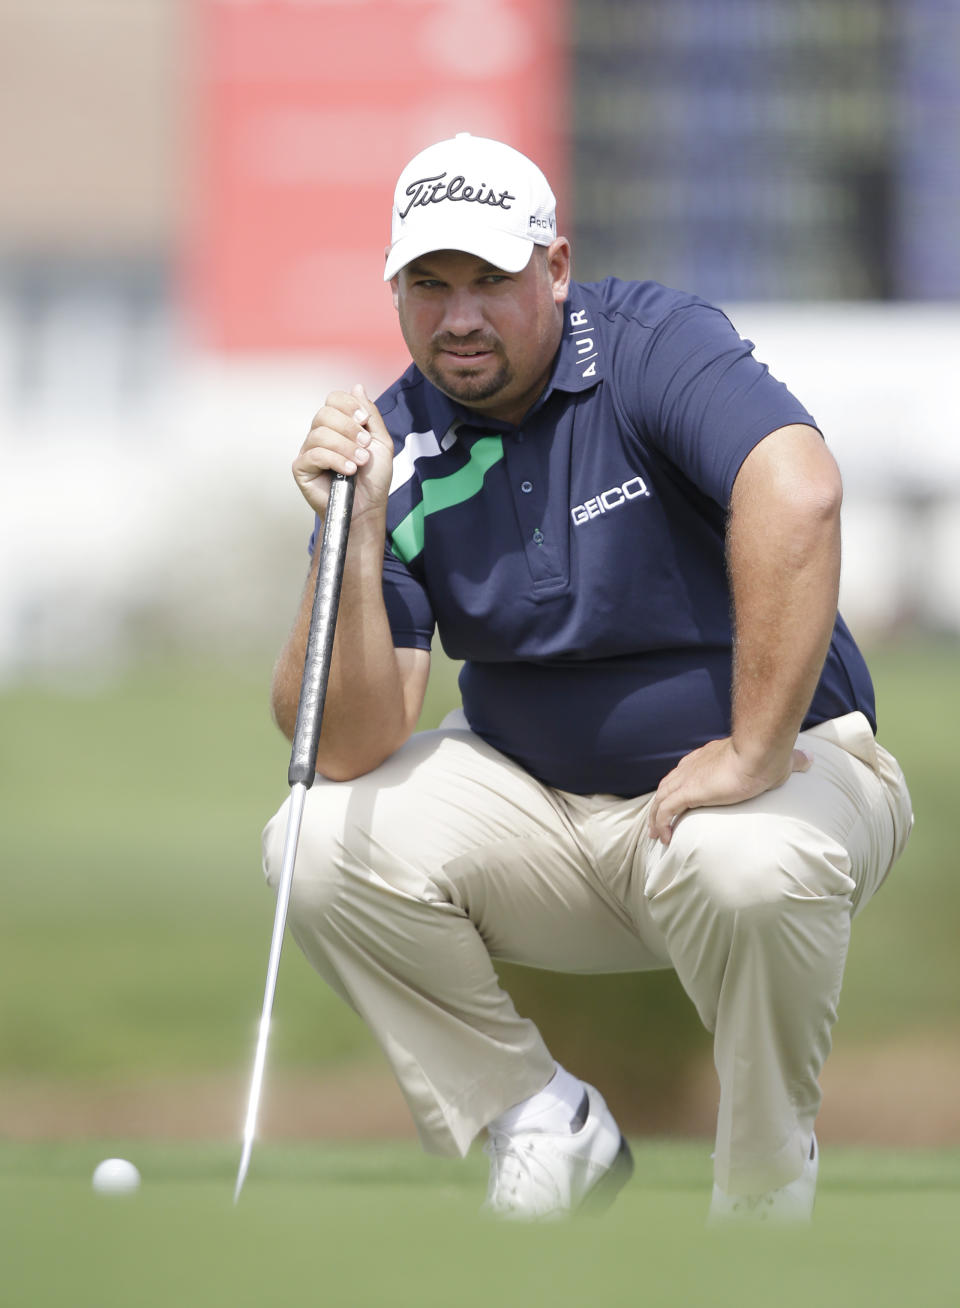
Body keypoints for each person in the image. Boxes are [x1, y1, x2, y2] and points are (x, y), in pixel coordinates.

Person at [263, 132, 913, 1223]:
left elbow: (799, 493)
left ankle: (761, 1189)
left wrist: (754, 748)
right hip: (545, 819)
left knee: (742, 864)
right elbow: (344, 750)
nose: (459, 316)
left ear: (554, 268)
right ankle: (542, 1124)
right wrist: (353, 535)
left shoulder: (654, 345)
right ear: (396, 293)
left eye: (489, 282)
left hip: (782, 782)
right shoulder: (398, 446)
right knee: (311, 843)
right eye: (430, 285)